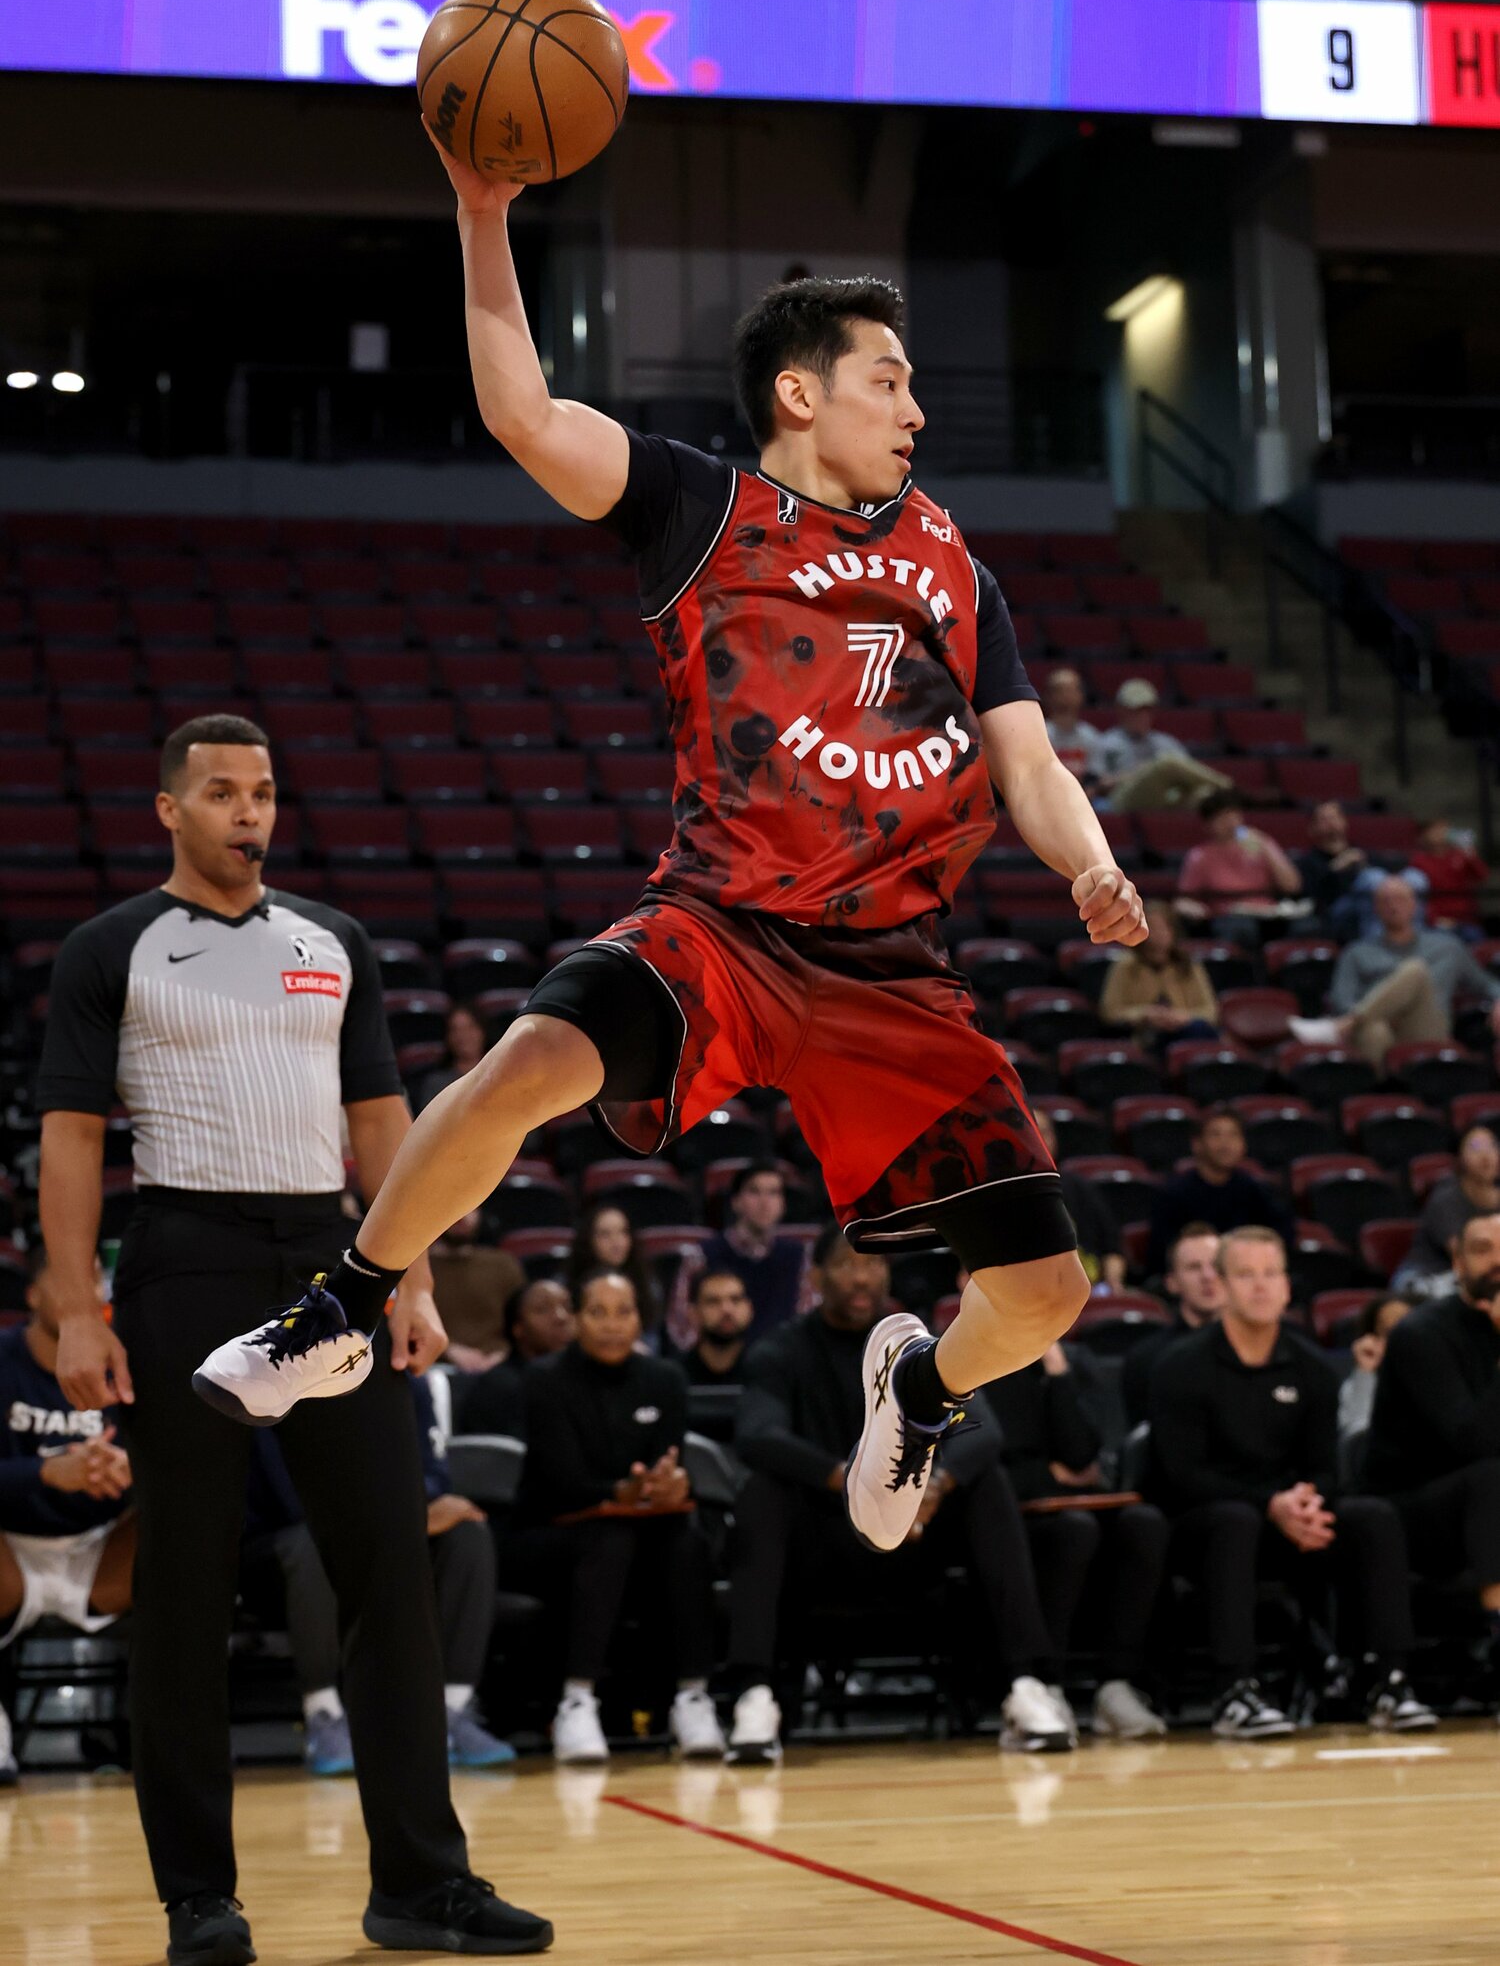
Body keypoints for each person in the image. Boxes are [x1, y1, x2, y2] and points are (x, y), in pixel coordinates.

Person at [198, 150, 1152, 1579]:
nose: (916, 407)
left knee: (1047, 1297)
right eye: (886, 378)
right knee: (529, 1059)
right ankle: (340, 1310)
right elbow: (521, 410)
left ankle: (925, 1390)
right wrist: (481, 209)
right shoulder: (700, 510)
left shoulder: (958, 566)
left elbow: (1026, 763)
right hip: (722, 927)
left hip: (891, 971)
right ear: (799, 393)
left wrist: (1091, 864)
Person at [36, 712, 550, 1963]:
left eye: (262, 791)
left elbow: (386, 1123)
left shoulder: (338, 941)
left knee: (388, 1566)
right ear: (170, 809)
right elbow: (72, 1137)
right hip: (181, 1265)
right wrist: (73, 1308)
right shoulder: (111, 948)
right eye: (221, 792)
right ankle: (197, 1897)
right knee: (187, 1586)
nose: (249, 812)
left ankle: (422, 1882)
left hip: (333, 1271)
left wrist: (412, 1277)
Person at [725, 1227, 1080, 1761]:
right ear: (817, 1278)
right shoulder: (782, 1351)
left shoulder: (918, 1348)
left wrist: (932, 1487)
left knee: (987, 1483)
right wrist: (854, 1480)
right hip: (828, 1543)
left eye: (871, 1265)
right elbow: (757, 1434)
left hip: (916, 1539)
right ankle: (753, 1695)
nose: (862, 1275)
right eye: (847, 1265)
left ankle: (1026, 1685)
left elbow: (985, 1429)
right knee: (761, 1491)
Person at [1149, 1227, 1434, 1738]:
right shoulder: (1180, 1367)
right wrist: (1269, 1504)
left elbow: (1325, 1469)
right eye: (1246, 1274)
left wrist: (1303, 1505)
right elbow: (1183, 1476)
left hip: (1289, 1525)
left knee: (1372, 1516)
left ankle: (1388, 1681)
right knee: (1234, 1522)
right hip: (1205, 1527)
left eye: (1271, 1273)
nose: (1260, 1286)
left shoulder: (1313, 1368)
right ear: (1222, 1285)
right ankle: (1234, 1691)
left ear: (1287, 1286)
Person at [503, 1271, 724, 1764]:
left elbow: (671, 1461)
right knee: (609, 1539)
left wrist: (671, 1483)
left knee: (687, 1541)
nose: (610, 1324)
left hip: (637, 1532)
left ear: (640, 1320)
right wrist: (621, 1491)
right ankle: (577, 1700)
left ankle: (693, 1697)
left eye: (622, 1312)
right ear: (577, 1320)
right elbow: (561, 1484)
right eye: (597, 1312)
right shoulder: (545, 1380)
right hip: (548, 1532)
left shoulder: (665, 1380)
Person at [245, 1376, 513, 1777]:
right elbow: (291, 1498)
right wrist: (403, 1515)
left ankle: (449, 1712)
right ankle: (323, 1714)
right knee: (312, 1541)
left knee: (467, 1532)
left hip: (382, 1534)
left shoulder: (404, 1376)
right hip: (279, 1548)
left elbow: (435, 1478)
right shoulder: (279, 1368)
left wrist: (402, 1514)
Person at [980, 1330, 1170, 1739]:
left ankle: (1116, 1685)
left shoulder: (1075, 1359)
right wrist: (1046, 1473)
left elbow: (1084, 1453)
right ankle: (1046, 1683)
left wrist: (1058, 1371)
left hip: (1073, 1500)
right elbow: (984, 1457)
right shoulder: (970, 1356)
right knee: (1073, 1532)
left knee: (1145, 1524)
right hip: (1004, 1514)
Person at [0, 1247, 136, 1788]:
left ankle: (164, 1732)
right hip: (9, 1550)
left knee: (183, 1521)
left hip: (98, 1549)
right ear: (32, 1295)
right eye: (66, 1279)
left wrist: (130, 1469)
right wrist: (47, 1474)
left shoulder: (126, 1360)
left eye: (92, 1279)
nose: (84, 1292)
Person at [1361, 1210, 1500, 1663]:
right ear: (1457, 1263)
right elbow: (1470, 1441)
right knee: (1492, 1477)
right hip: (1411, 1511)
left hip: (1481, 1502)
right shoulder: (1421, 1334)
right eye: (1483, 1250)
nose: (1498, 1261)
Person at [1292, 874, 1500, 1066]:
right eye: (1385, 900)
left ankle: (1339, 1027)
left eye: (1399, 899)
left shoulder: (1448, 947)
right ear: (1375, 908)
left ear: (1415, 905)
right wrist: (1382, 1010)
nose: (1393, 906)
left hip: (1426, 1025)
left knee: (1415, 970)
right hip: (1377, 1025)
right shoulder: (1356, 952)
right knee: (1374, 1030)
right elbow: (1341, 999)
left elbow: (1486, 984)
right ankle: (1380, 1098)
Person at [668, 1164, 810, 1351]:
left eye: (774, 1193)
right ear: (736, 1201)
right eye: (754, 1191)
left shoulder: (799, 1257)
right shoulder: (703, 1255)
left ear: (783, 1204)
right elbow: (681, 1326)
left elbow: (807, 1322)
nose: (765, 1202)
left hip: (782, 1364)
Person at [1144, 1110, 1292, 1277]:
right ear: (1197, 1143)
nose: (1225, 1144)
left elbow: (1282, 1236)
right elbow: (1162, 1254)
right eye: (1216, 1135)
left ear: (1244, 1144)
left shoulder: (1257, 1191)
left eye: (1233, 1135)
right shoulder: (1173, 1194)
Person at [1120, 1221, 1225, 1424]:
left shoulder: (1255, 1350)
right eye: (1194, 1267)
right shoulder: (1146, 1358)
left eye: (1216, 1265)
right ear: (1172, 1283)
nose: (1208, 1276)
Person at [454, 1277, 575, 1439]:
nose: (561, 1317)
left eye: (568, 1307)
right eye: (542, 1309)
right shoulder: (499, 1388)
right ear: (518, 1328)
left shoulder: (587, 1377)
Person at [1175, 789, 1301, 945]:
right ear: (1208, 825)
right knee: (1242, 929)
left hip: (1268, 913)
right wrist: (1194, 909)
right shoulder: (1200, 856)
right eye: (1222, 817)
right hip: (1227, 916)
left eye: (1233, 814)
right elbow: (1184, 899)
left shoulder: (1262, 844)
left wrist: (1267, 848)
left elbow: (1292, 886)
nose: (1230, 821)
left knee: (1304, 927)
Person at [1098, 902, 1219, 1052]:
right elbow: (1109, 1011)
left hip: (1185, 1030)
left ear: (1173, 931)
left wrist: (1182, 1017)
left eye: (1163, 928)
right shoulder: (1125, 966)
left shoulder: (1188, 965)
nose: (1159, 935)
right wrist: (1145, 1014)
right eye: (1153, 929)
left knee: (1201, 1031)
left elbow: (1210, 1011)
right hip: (1143, 1035)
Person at [1393, 1128, 1500, 1294]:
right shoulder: (1446, 1198)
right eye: (1476, 1147)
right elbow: (1466, 1255)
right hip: (1425, 1277)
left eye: (1492, 1146)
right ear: (1459, 1158)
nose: (1485, 1156)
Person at [1092, 681, 1224, 811]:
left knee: (1204, 795)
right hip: (1123, 799)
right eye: (1136, 710)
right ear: (1121, 710)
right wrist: (1140, 773)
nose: (1143, 716)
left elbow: (1186, 775)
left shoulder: (1166, 742)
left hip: (1165, 797)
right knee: (1166, 763)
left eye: (1147, 710)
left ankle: (1225, 796)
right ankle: (1227, 787)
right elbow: (1100, 785)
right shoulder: (1107, 742)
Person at [1033, 1108, 1125, 1288]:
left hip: (1088, 1290)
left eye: (1043, 1132)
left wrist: (1114, 1283)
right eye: (1031, 1132)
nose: (1038, 1139)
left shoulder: (1079, 1187)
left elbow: (1112, 1249)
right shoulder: (1000, 1196)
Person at [428, 1211, 525, 1373]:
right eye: (454, 1204)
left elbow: (523, 1321)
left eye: (472, 1206)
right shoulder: (414, 1272)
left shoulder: (503, 1264)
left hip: (502, 1367)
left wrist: (504, 1353)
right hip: (435, 1369)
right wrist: (448, 1350)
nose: (462, 1215)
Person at [566, 1201, 661, 1338]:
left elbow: (651, 1336)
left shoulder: (648, 1283)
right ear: (588, 1239)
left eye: (623, 1232)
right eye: (605, 1234)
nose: (616, 1242)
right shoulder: (567, 1283)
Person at [1338, 1294, 1411, 1444]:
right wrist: (1365, 1372)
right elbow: (1356, 1439)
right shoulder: (1358, 1385)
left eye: (1405, 1330)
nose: (1397, 1340)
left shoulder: (1448, 1376)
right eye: (1388, 1332)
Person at [1297, 801, 1368, 938]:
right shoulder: (1307, 862)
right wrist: (1336, 867)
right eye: (1324, 819)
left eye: (1335, 818)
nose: (1331, 823)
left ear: (1345, 822)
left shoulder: (1361, 854)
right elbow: (1312, 900)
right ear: (1312, 828)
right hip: (1331, 914)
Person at [1409, 816, 1488, 936]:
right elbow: (1420, 896)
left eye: (1443, 828)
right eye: (1434, 829)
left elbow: (1482, 877)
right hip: (1437, 922)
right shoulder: (1419, 861)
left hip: (1466, 919)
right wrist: (1435, 918)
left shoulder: (1461, 854)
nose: (1440, 833)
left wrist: (1471, 855)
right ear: (1424, 834)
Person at [674, 1268, 754, 1386]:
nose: (727, 1310)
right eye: (713, 1301)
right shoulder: (675, 1375)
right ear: (693, 1313)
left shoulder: (768, 1371)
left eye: (735, 1300)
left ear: (749, 1308)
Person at [415, 1003, 489, 1113]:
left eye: (470, 1027)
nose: (463, 1035)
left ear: (482, 1031)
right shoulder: (435, 1084)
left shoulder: (500, 1076)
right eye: (455, 1029)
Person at [1042, 666, 1101, 786]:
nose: (1066, 695)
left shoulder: (1090, 735)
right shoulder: (1040, 734)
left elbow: (1095, 777)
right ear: (1048, 696)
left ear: (1081, 695)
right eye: (1060, 690)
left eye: (1071, 690)